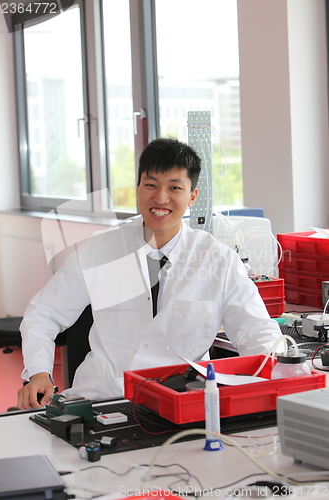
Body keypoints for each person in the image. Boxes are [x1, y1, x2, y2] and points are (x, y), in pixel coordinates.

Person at [17, 137, 281, 409]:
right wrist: (39, 373)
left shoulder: (218, 260)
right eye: (151, 185)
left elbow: (256, 330)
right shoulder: (99, 250)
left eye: (174, 187)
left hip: (182, 404)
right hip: (102, 399)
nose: (160, 198)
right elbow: (44, 312)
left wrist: (283, 367)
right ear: (138, 189)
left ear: (192, 196)